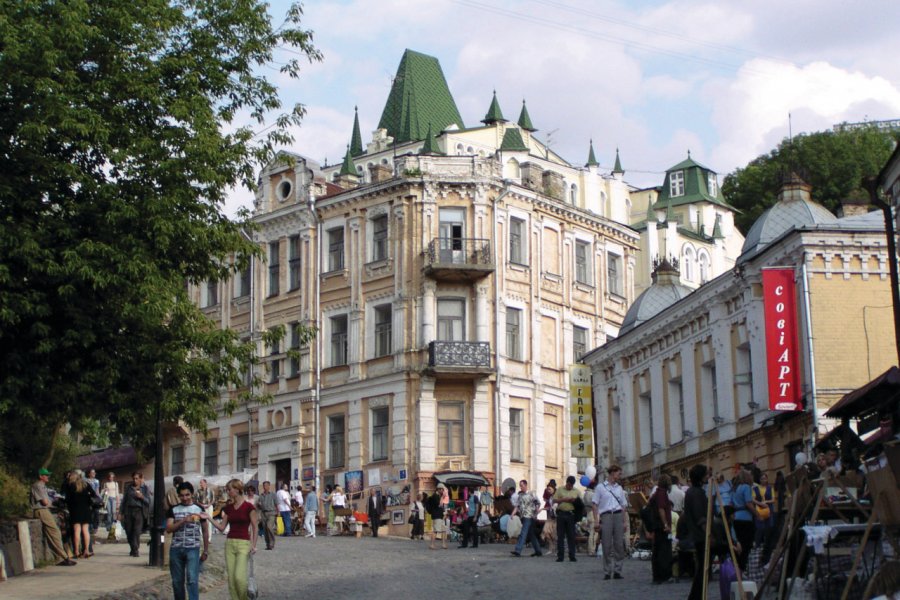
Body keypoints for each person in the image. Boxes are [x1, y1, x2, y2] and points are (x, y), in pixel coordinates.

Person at [210, 479, 258, 600]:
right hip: (230, 543)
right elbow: (222, 527)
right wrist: (209, 518)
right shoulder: (229, 508)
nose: (228, 492)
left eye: (229, 490)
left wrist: (253, 544)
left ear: (237, 489)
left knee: (239, 578)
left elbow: (255, 527)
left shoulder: (249, 507)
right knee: (231, 579)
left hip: (243, 544)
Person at [166, 481, 209, 600]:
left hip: (192, 548)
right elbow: (169, 529)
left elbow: (205, 531)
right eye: (182, 495)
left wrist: (205, 550)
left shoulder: (198, 508)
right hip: (176, 548)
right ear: (178, 496)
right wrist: (183, 520)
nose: (185, 498)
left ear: (192, 494)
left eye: (187, 495)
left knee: (192, 579)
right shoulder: (173, 509)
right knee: (177, 581)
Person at [31, 468, 76, 566]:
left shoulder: (43, 486)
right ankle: (64, 557)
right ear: (40, 476)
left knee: (53, 533)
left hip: (45, 510)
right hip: (41, 510)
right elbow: (45, 502)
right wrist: (54, 502)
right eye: (46, 475)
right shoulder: (38, 485)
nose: (48, 477)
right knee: (55, 532)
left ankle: (60, 557)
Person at [593, 465, 628, 579]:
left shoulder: (619, 488)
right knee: (606, 545)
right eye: (618, 473)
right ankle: (607, 571)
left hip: (618, 515)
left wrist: (624, 521)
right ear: (612, 473)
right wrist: (596, 521)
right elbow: (595, 504)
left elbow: (623, 506)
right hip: (606, 516)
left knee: (619, 545)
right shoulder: (600, 487)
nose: (620, 476)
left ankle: (618, 570)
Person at [684, 465, 710, 600]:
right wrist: (708, 535)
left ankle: (696, 596)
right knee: (703, 569)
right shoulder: (696, 493)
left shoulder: (693, 492)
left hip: (697, 535)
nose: (707, 476)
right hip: (700, 536)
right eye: (706, 474)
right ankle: (696, 596)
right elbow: (701, 518)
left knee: (702, 568)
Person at [119, 471, 151, 558]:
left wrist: (142, 497)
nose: (135, 480)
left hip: (139, 511)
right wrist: (120, 513)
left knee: (136, 531)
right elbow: (124, 501)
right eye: (134, 478)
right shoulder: (129, 488)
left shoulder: (144, 488)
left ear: (140, 479)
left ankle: (136, 550)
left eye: (137, 478)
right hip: (128, 511)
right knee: (129, 531)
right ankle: (132, 548)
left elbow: (148, 501)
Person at [63, 470, 94, 559]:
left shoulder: (70, 486)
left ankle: (76, 551)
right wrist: (87, 498)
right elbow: (93, 494)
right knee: (86, 530)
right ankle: (86, 550)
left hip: (75, 510)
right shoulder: (85, 484)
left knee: (77, 530)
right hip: (86, 509)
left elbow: (67, 499)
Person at [650, 473, 674, 584]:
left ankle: (659, 575)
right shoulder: (661, 493)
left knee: (659, 551)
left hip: (658, 526)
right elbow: (661, 509)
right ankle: (663, 575)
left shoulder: (657, 493)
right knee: (663, 552)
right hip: (661, 527)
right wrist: (666, 525)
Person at [731, 469, 757, 572]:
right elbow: (748, 503)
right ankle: (743, 567)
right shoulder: (746, 487)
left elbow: (731, 503)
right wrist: (757, 514)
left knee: (739, 543)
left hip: (736, 518)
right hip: (746, 519)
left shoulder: (735, 488)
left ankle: (737, 567)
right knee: (747, 544)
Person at [510, 479, 542, 557]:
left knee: (523, 533)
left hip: (530, 516)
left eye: (522, 486)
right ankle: (538, 551)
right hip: (523, 516)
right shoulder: (520, 495)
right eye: (520, 486)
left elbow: (537, 502)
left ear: (525, 485)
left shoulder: (532, 493)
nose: (521, 487)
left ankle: (518, 550)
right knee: (531, 534)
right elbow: (517, 506)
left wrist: (537, 509)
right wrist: (512, 514)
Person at [552, 475, 580, 562]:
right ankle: (560, 556)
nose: (569, 487)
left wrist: (574, 500)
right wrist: (563, 499)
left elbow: (580, 503)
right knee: (560, 536)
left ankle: (572, 555)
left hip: (571, 515)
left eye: (571, 486)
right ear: (566, 483)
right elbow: (554, 500)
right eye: (568, 485)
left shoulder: (576, 491)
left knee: (571, 536)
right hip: (561, 514)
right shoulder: (560, 489)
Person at [753, 472, 776, 562]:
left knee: (769, 528)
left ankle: (768, 546)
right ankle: (758, 546)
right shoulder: (755, 489)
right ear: (759, 480)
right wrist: (760, 503)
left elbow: (773, 499)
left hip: (769, 510)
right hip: (759, 510)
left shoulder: (770, 488)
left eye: (765, 478)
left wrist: (766, 502)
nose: (764, 480)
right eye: (762, 478)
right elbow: (753, 499)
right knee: (760, 528)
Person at [256, 481, 277, 550]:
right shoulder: (261, 496)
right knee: (265, 529)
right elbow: (258, 506)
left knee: (269, 527)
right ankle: (268, 544)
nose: (265, 487)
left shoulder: (273, 495)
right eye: (264, 486)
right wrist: (258, 505)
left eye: (266, 486)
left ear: (269, 486)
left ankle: (272, 542)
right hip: (263, 513)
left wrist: (278, 512)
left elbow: (277, 504)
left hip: (271, 513)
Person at [85, 468, 100, 535]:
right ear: (89, 474)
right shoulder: (86, 480)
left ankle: (95, 527)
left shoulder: (97, 481)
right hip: (88, 498)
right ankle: (90, 527)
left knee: (96, 512)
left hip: (95, 498)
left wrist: (99, 498)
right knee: (90, 513)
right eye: (93, 473)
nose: (94, 474)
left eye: (95, 473)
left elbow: (97, 490)